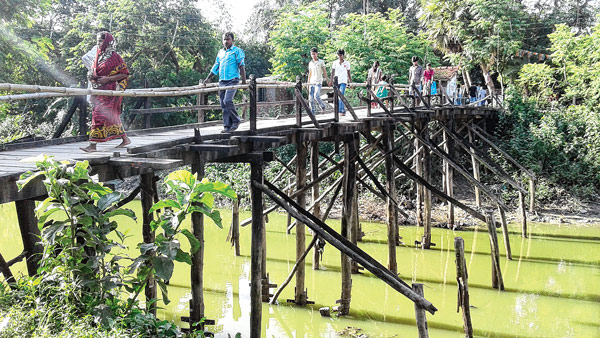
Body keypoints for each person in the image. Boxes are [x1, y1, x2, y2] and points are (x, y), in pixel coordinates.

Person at [80, 31, 130, 152]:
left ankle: (92, 145)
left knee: (98, 116)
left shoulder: (115, 57)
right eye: (97, 40)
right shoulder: (98, 55)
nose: (99, 43)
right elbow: (95, 71)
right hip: (99, 91)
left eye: (101, 40)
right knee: (110, 117)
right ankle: (125, 139)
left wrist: (108, 79)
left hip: (110, 92)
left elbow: (124, 73)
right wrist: (92, 76)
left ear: (107, 41)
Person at [203, 32, 246, 133]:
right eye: (224, 40)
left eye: (228, 39)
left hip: (233, 80)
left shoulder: (237, 51)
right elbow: (216, 66)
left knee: (227, 101)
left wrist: (243, 81)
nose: (226, 41)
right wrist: (208, 78)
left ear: (232, 40)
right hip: (222, 81)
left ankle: (236, 120)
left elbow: (241, 66)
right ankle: (227, 126)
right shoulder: (220, 52)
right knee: (223, 104)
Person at [329, 49, 351, 116]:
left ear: (343, 55)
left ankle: (341, 110)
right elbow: (332, 72)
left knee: (341, 94)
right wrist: (331, 80)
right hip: (336, 81)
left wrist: (350, 81)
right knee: (336, 95)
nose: (339, 57)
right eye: (338, 55)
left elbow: (348, 72)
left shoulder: (347, 63)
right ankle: (339, 110)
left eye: (340, 55)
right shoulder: (335, 63)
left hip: (343, 81)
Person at [307, 47, 328, 115]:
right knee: (310, 98)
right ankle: (312, 113)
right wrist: (308, 82)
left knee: (317, 95)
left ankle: (322, 106)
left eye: (314, 54)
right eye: (312, 54)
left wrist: (327, 79)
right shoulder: (310, 63)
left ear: (317, 54)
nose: (313, 55)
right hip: (311, 81)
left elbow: (324, 71)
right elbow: (310, 73)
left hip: (318, 81)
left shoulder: (321, 62)